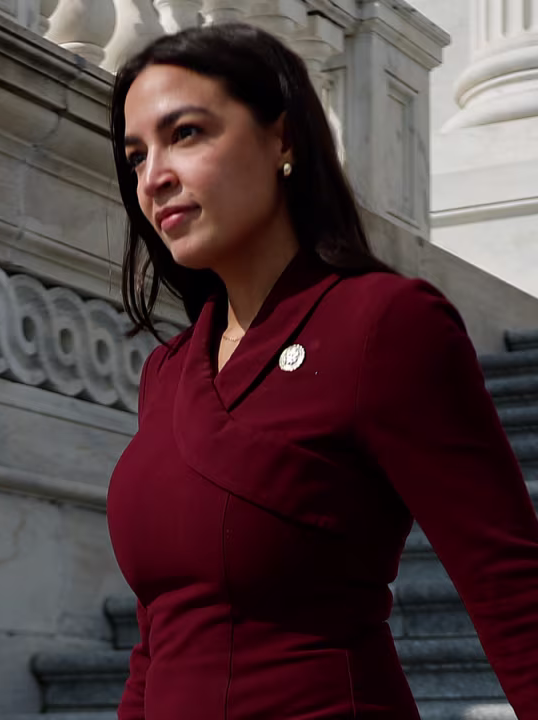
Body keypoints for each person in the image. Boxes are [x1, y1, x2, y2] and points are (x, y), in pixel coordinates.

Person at [106, 23, 538, 719]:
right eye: (136, 155)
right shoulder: (168, 370)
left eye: (185, 134)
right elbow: (159, 637)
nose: (153, 177)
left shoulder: (385, 325)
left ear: (284, 139)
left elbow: (513, 589)